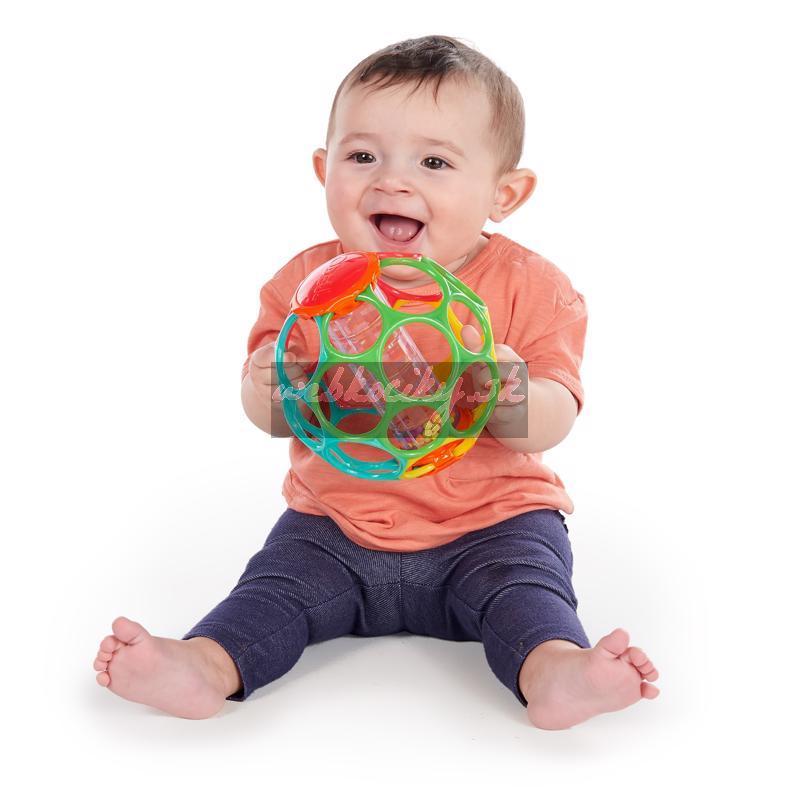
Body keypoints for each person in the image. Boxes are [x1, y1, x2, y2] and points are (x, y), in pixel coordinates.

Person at [93, 35, 659, 729]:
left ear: (503, 194)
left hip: (491, 524)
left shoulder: (532, 287)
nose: (392, 182)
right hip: (336, 523)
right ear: (323, 168)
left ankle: (555, 672)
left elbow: (553, 420)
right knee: (272, 590)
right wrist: (269, 385)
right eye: (363, 157)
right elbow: (272, 417)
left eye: (434, 162)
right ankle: (204, 665)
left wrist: (502, 388)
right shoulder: (307, 286)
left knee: (527, 593)